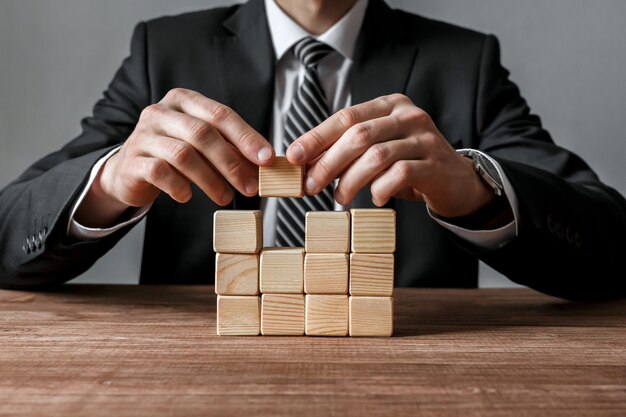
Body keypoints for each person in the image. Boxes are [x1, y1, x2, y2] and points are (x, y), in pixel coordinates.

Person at [1, 0, 625, 301]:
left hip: (412, 372)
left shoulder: (465, 62)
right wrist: (109, 182)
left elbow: (612, 246)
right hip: (200, 371)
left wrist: (477, 190)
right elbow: (7, 239)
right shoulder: (164, 52)